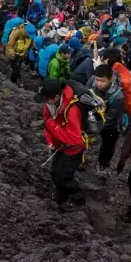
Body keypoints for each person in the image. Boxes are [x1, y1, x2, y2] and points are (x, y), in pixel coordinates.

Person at [37, 79, 86, 212]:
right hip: (61, 145)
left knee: (64, 176)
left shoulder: (72, 110)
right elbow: (47, 121)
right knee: (55, 172)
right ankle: (62, 194)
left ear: (56, 97)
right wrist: (50, 141)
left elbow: (75, 140)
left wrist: (52, 126)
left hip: (73, 149)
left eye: (46, 99)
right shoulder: (50, 105)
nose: (45, 102)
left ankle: (78, 199)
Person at [90, 65, 125, 170]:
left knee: (108, 145)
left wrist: (94, 126)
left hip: (111, 125)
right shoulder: (92, 83)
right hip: (97, 117)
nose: (99, 84)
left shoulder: (118, 97)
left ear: (110, 79)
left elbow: (110, 119)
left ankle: (104, 164)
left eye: (102, 81)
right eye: (97, 80)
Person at [97, 47, 131, 117]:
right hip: (127, 108)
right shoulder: (122, 70)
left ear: (107, 60)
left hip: (120, 111)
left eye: (102, 59)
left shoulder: (116, 79)